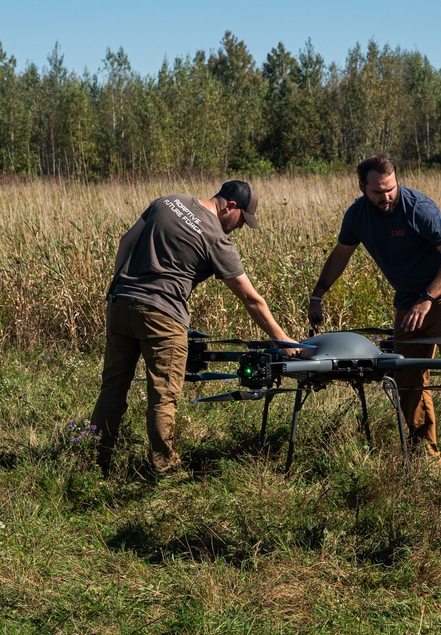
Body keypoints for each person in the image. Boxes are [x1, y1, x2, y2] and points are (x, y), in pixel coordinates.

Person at [91, 180, 298, 478]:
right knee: (163, 395)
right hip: (163, 315)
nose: (239, 229)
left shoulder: (168, 200)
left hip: (121, 303)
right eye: (241, 221)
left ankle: (95, 459)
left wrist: (120, 287)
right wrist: (281, 339)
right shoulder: (215, 238)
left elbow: (126, 240)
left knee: (112, 388)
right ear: (230, 207)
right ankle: (165, 470)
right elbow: (251, 299)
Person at [307, 154, 441, 465]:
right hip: (409, 299)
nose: (386, 197)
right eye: (378, 192)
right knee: (407, 373)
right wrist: (317, 295)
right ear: (362, 187)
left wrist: (427, 298)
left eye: (391, 188)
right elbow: (341, 254)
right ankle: (425, 452)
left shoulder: (418, 208)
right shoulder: (357, 216)